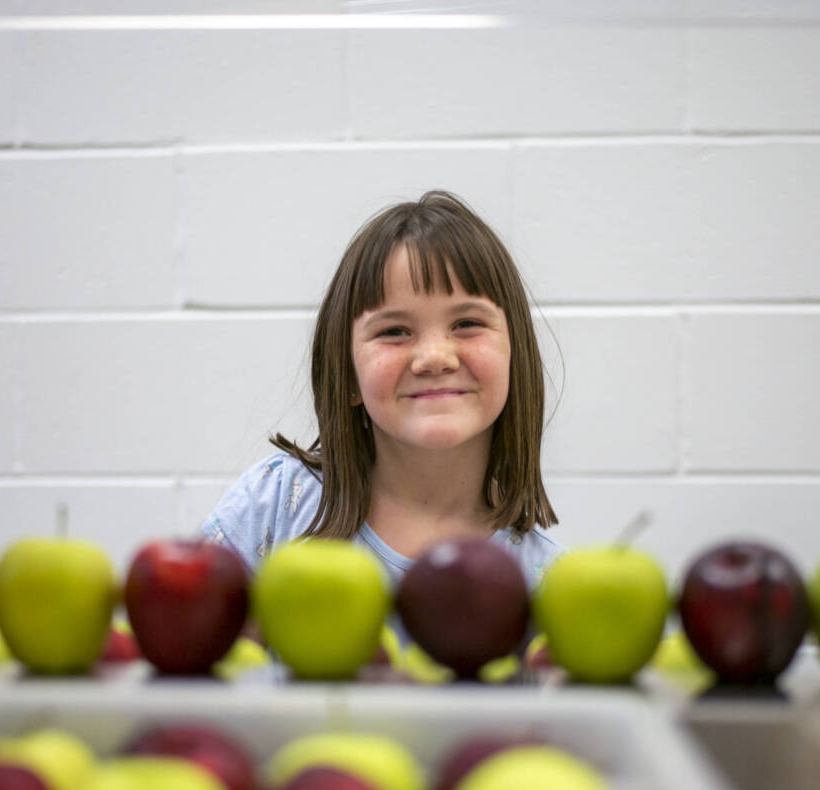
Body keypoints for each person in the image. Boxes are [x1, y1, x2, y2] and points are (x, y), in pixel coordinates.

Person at [201, 190, 561, 598]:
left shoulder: (548, 587)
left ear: (515, 357)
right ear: (349, 375)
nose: (434, 358)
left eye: (466, 323)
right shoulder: (271, 507)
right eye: (394, 331)